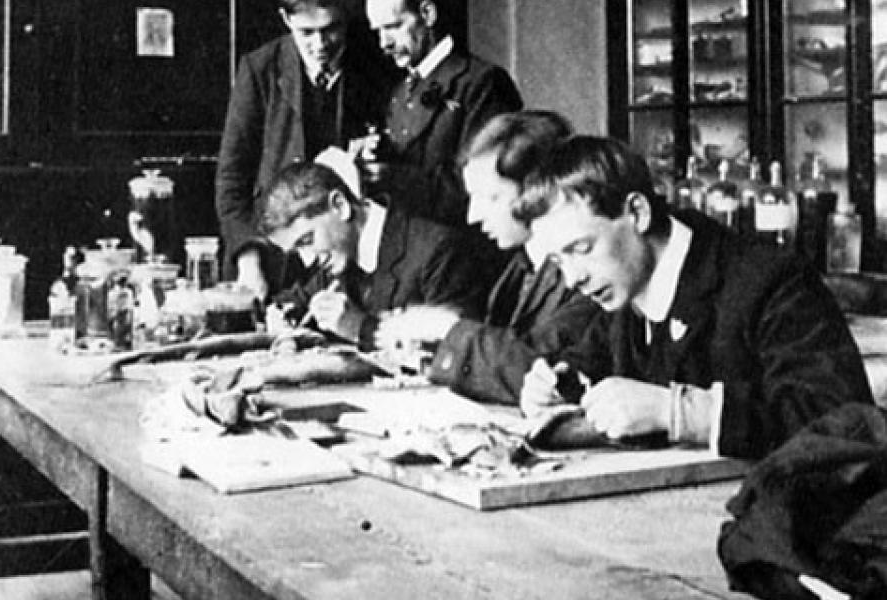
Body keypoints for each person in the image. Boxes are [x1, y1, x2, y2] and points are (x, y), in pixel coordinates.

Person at [517, 135, 873, 459]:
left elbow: (844, 422)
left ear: (637, 213)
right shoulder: (626, 284)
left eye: (581, 248)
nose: (573, 277)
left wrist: (679, 412)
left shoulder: (769, 280)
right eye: (557, 260)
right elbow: (589, 360)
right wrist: (558, 382)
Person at [377, 111, 597, 405]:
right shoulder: (519, 268)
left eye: (490, 197)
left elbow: (539, 368)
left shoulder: (586, 273)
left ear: (534, 193)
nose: (472, 216)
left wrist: (445, 329)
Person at [215, 0, 387, 298]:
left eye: (331, 29)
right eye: (307, 32)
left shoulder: (375, 65)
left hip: (346, 257)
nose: (320, 44)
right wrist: (248, 258)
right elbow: (231, 181)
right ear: (285, 18)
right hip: (272, 259)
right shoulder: (259, 69)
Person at [254, 154, 491, 350]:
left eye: (306, 240)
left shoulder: (438, 251)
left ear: (340, 205)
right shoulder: (337, 255)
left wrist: (361, 329)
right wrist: (283, 315)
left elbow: (459, 353)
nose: (307, 261)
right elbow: (295, 300)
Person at [363, 0, 523, 225]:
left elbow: (481, 187)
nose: (384, 43)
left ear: (427, 14)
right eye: (378, 31)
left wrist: (389, 177)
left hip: (462, 246)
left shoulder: (481, 82)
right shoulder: (401, 91)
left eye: (393, 27)